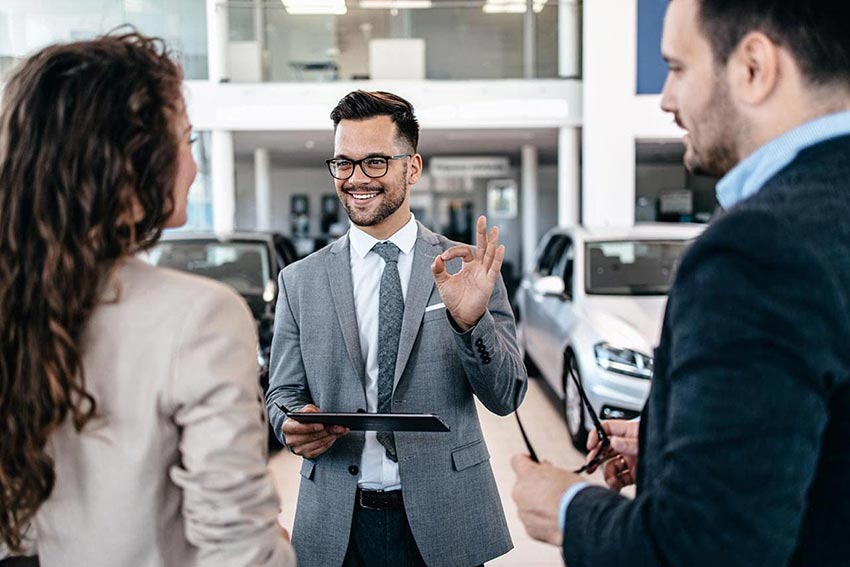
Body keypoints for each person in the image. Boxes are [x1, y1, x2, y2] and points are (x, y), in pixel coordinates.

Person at [511, 0, 850, 565]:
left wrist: (569, 508)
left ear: (754, 68)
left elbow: (703, 548)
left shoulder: (758, 248)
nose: (666, 99)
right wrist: (681, 451)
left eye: (676, 67)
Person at [0, 32, 295, 567]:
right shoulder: (201, 315)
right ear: (133, 163)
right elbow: (237, 552)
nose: (194, 166)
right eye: (187, 140)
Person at [266, 90, 528, 567]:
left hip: (448, 515)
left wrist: (470, 324)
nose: (356, 179)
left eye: (375, 162)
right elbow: (281, 392)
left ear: (413, 167)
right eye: (343, 163)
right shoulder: (298, 280)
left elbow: (506, 396)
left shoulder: (464, 268)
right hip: (336, 524)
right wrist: (289, 424)